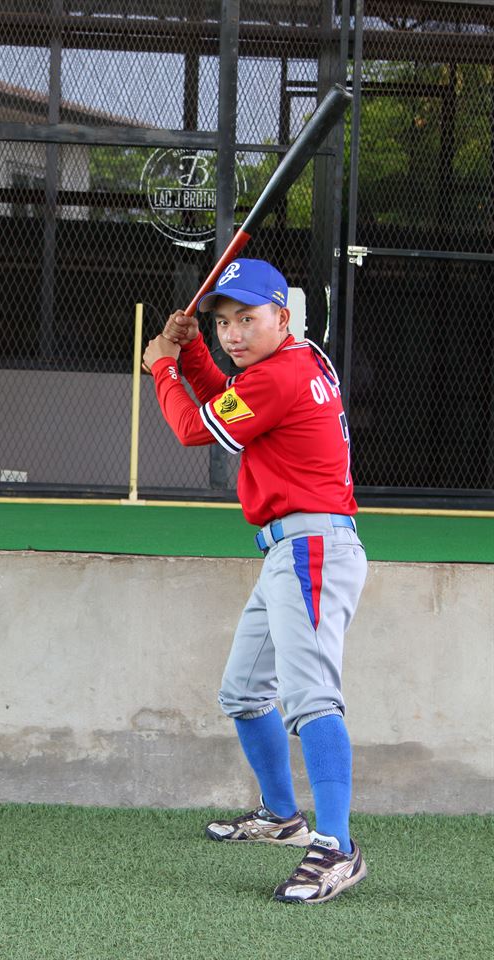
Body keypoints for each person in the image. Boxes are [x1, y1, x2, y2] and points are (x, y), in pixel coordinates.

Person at [142, 258, 368, 905]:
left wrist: (162, 363)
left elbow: (195, 426)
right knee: (244, 692)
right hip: (288, 549)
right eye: (222, 323)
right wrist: (189, 358)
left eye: (248, 319)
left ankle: (336, 847)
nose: (233, 334)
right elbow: (224, 399)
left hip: (313, 547)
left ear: (282, 318)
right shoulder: (298, 361)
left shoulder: (282, 376)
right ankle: (281, 816)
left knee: (312, 700)